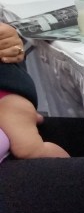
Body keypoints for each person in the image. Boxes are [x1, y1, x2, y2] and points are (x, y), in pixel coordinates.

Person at [0, 24, 68, 161]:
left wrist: (8, 40)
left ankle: (67, 163)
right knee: (28, 148)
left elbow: (10, 48)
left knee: (30, 149)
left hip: (8, 101)